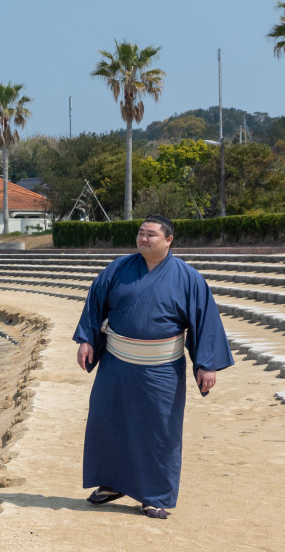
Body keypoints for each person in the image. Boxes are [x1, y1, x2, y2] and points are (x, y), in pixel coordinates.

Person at [73, 215, 233, 519]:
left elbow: (204, 322)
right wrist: (87, 341)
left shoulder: (188, 278)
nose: (143, 239)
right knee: (109, 422)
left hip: (161, 369)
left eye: (151, 235)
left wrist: (206, 364)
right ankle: (112, 483)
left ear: (169, 240)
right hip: (117, 364)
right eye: (140, 233)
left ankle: (154, 495)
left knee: (159, 431)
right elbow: (94, 305)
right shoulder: (117, 269)